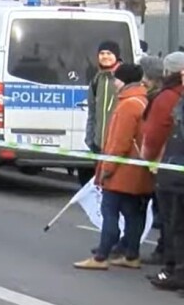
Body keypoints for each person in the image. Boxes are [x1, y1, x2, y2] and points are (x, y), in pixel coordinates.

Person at [75, 64, 152, 270]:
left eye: (117, 79)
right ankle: (131, 255)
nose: (115, 83)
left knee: (109, 211)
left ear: (124, 81)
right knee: (133, 214)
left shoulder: (127, 106)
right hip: (139, 172)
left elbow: (118, 143)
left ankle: (101, 256)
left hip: (121, 172)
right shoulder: (144, 101)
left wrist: (106, 169)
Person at [142, 52, 184, 268]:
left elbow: (155, 132)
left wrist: (147, 158)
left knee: (170, 218)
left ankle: (170, 262)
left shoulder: (166, 96)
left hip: (167, 163)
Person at [86, 41, 123, 155]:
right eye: (102, 53)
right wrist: (90, 140)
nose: (105, 56)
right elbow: (92, 113)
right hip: (99, 147)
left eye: (109, 53)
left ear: (116, 56)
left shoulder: (124, 79)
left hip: (118, 147)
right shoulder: (96, 80)